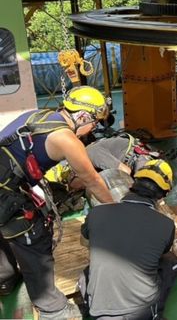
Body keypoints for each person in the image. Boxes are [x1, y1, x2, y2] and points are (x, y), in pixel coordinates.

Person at [0, 85, 114, 319]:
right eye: (94, 122)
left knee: (4, 234)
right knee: (33, 239)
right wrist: (115, 209)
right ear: (82, 116)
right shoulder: (67, 139)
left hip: (6, 182)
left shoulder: (38, 115)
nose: (92, 129)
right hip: (4, 192)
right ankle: (53, 309)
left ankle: (5, 279)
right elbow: (91, 180)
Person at [79, 159, 177, 320]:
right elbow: (162, 253)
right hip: (141, 312)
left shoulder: (97, 213)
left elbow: (85, 243)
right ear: (163, 195)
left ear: (132, 185)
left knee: (86, 272)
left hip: (101, 313)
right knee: (172, 262)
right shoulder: (166, 225)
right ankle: (157, 313)